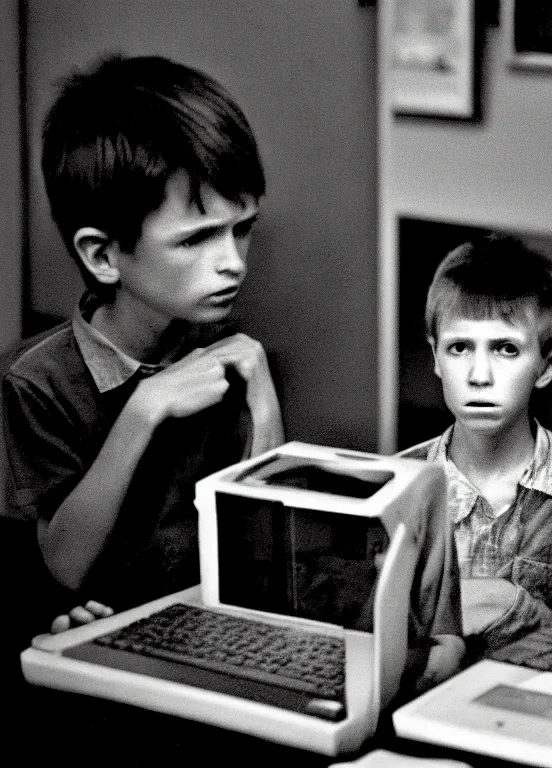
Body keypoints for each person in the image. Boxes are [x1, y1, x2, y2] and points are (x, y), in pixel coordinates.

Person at [1, 53, 462, 693]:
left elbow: (270, 552)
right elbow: (66, 565)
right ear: (103, 256)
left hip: (218, 634)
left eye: (242, 230)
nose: (233, 263)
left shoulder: (227, 354)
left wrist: (264, 407)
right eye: (197, 239)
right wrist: (143, 410)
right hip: (115, 648)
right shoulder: (37, 382)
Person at [402, 233, 552, 660]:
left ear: (547, 363)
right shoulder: (400, 481)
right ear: (435, 357)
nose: (479, 375)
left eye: (505, 349)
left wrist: (508, 606)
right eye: (460, 347)